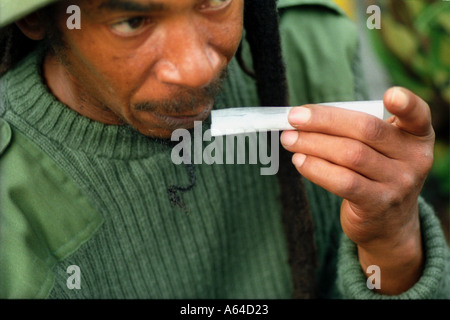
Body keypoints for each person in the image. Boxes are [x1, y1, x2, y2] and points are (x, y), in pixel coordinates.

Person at [0, 0, 448, 299]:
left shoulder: (312, 55)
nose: (197, 68)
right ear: (37, 17)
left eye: (214, 0)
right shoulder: (10, 211)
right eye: (133, 22)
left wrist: (392, 241)